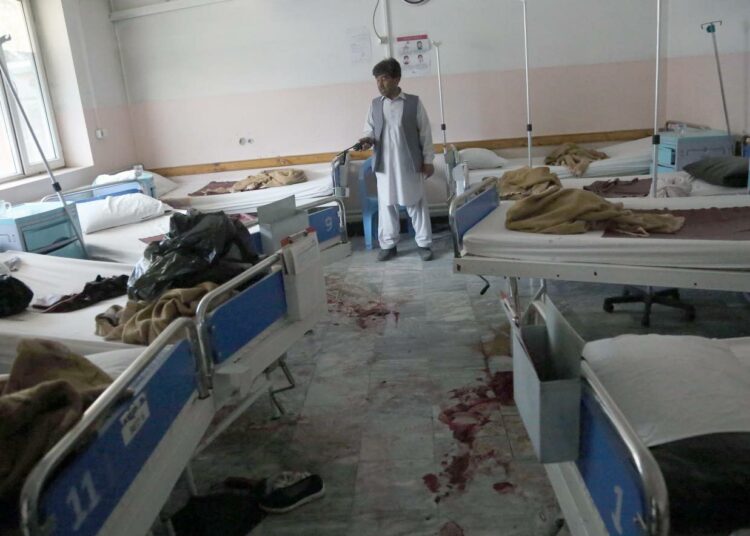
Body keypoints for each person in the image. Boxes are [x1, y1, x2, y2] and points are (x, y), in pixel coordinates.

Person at [358, 58, 435, 262]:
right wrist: (367, 140)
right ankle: (388, 245)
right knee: (387, 204)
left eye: (384, 79)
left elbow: (425, 133)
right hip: (384, 165)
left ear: (397, 79)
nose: (380, 84)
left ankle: (424, 244)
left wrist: (428, 160)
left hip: (409, 164)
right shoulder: (375, 105)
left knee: (416, 203)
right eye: (377, 80)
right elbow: (369, 130)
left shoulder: (413, 103)